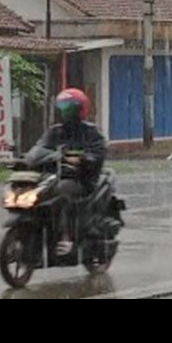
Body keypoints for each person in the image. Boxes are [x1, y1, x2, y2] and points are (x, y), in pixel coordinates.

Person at [26, 88, 106, 256]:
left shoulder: (91, 132)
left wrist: (82, 159)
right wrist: (28, 159)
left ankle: (66, 236)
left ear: (80, 109)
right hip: (55, 176)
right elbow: (40, 147)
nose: (65, 112)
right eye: (62, 108)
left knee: (62, 191)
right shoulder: (54, 131)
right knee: (32, 190)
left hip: (82, 179)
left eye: (69, 108)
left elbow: (97, 153)